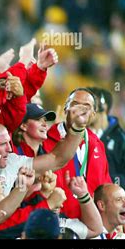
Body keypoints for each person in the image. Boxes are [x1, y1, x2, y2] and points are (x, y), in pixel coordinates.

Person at [43, 88, 112, 219]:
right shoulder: (45, 140)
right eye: (75, 104)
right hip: (59, 221)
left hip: (93, 222)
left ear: (93, 114)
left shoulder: (97, 144)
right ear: (65, 109)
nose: (80, 110)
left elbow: (106, 186)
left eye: (86, 107)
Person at [88, 87, 125, 198]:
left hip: (113, 206)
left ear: (103, 107)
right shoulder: (77, 136)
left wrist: (108, 181)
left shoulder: (123, 139)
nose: (84, 110)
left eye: (89, 105)